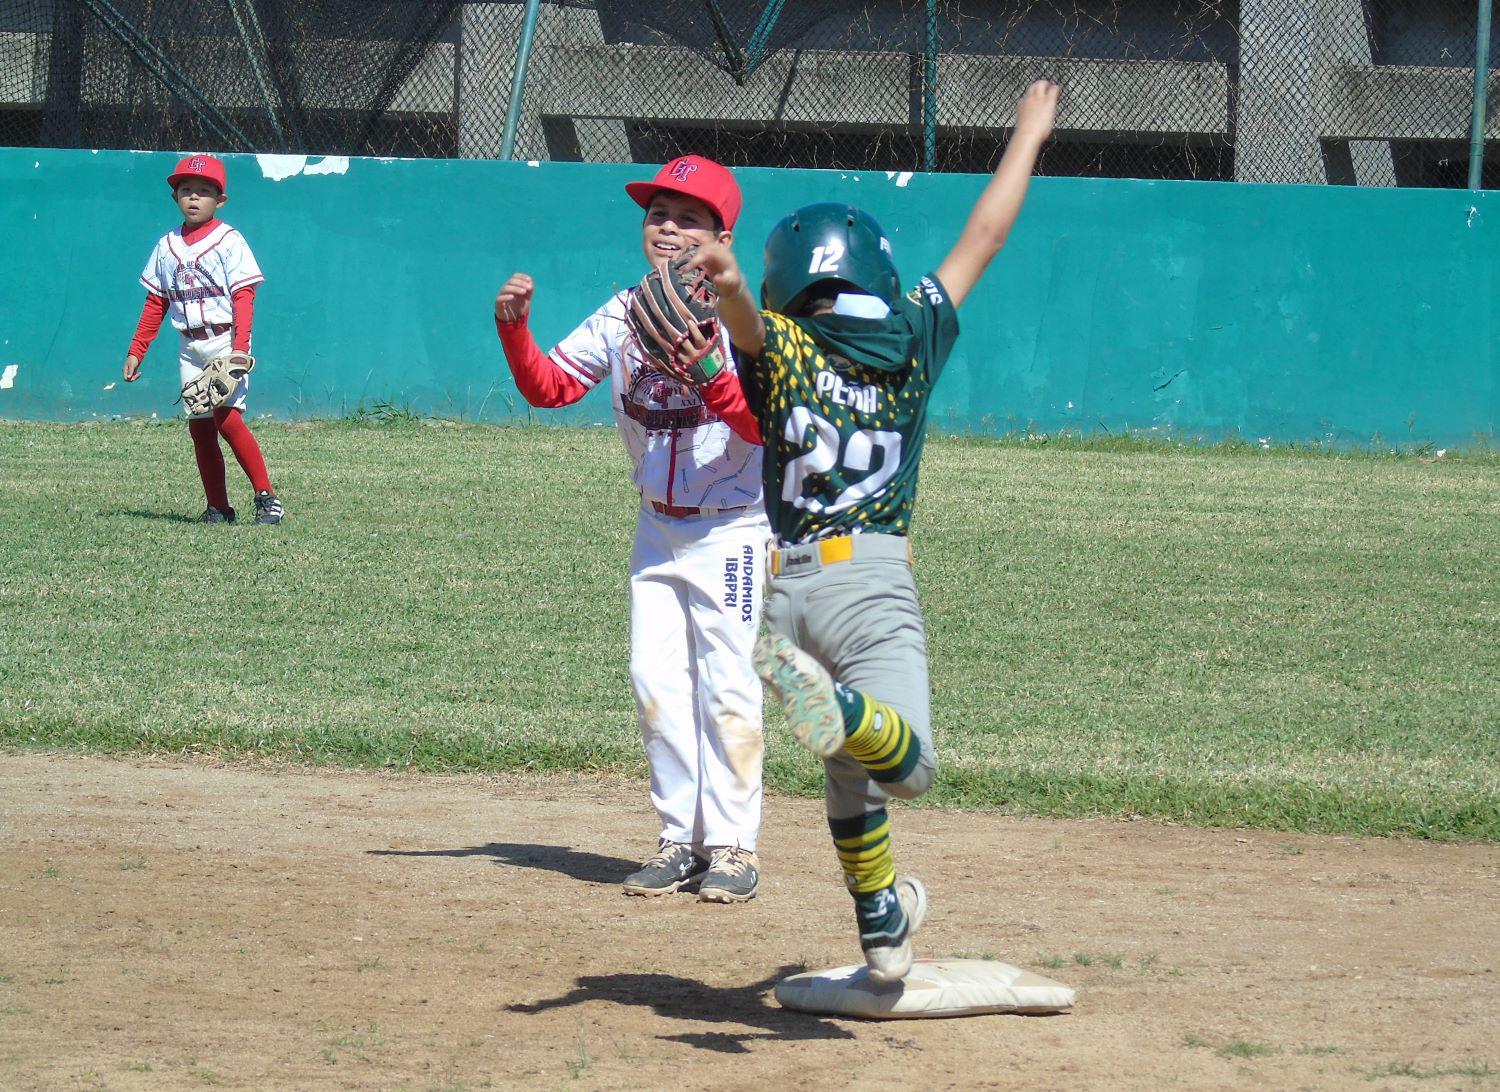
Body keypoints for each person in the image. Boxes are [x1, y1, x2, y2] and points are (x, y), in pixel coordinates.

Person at [684, 81, 1060, 979]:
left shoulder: (783, 340)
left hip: (786, 595)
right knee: (908, 765)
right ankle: (841, 705)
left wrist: (733, 290)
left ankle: (883, 919)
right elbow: (985, 237)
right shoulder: (913, 331)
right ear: (876, 272)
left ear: (785, 281)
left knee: (849, 771)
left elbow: (748, 328)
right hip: (871, 582)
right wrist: (1029, 134)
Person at [492, 155, 770, 903]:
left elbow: (766, 425)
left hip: (734, 528)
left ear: (722, 235)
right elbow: (550, 388)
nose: (669, 228)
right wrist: (514, 330)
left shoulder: (746, 323)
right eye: (658, 215)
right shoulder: (621, 314)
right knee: (656, 685)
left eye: (688, 218)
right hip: (657, 529)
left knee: (728, 688)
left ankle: (736, 849)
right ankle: (680, 839)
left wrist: (713, 368)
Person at [121, 153, 283, 525]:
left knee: (227, 420)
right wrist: (137, 350)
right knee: (200, 427)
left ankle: (267, 497)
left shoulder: (229, 240)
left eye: (204, 191)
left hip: (224, 341)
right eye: (186, 190)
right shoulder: (166, 246)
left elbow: (244, 296)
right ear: (175, 197)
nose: (194, 197)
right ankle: (218, 507)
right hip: (188, 346)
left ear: (220, 200)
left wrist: (240, 349)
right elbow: (155, 301)